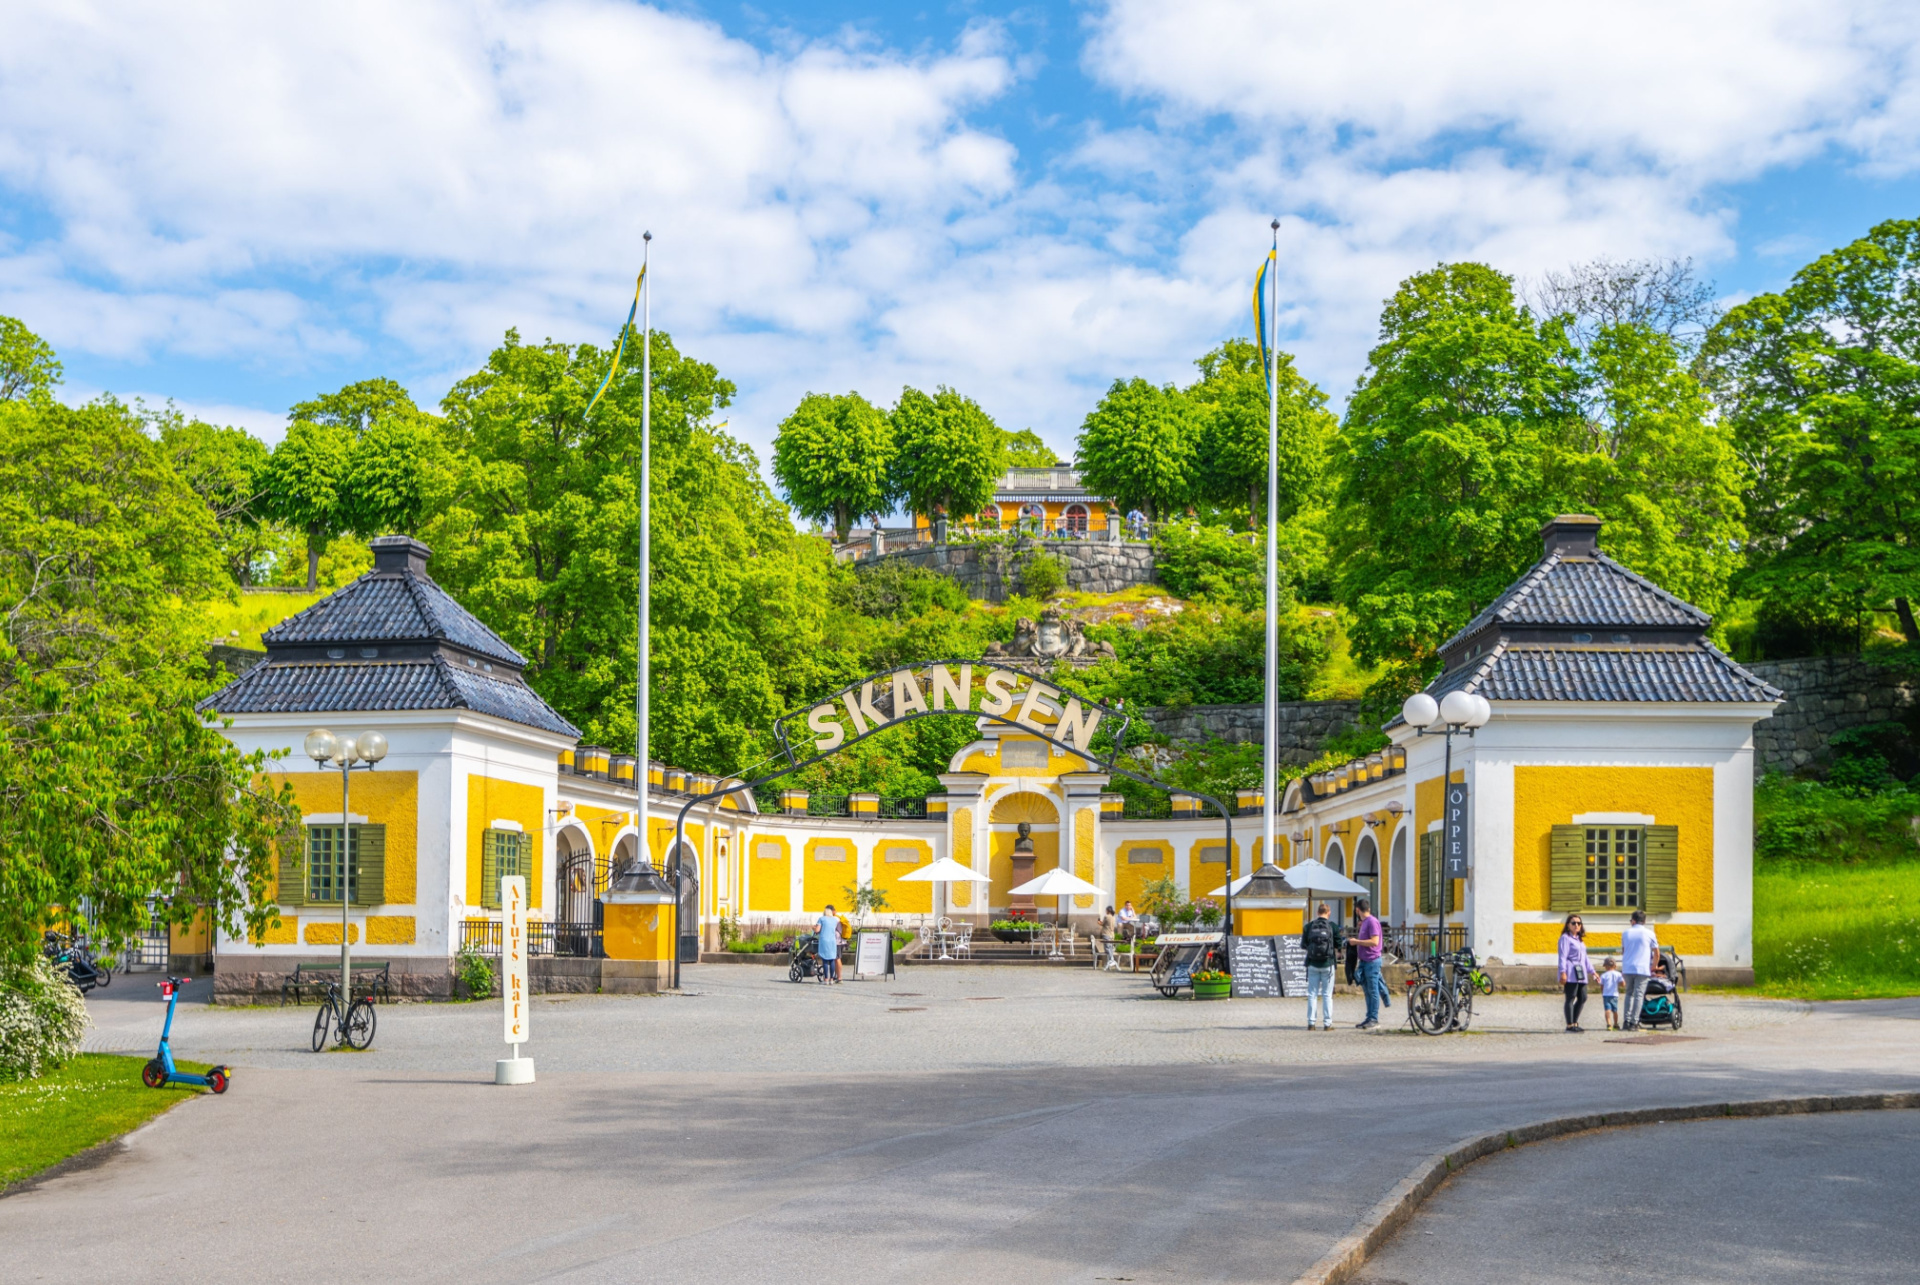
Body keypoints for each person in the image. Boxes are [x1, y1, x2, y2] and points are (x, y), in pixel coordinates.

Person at [1300, 901, 1345, 1030]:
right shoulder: (1333, 927)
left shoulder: (1308, 926)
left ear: (1317, 912)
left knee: (1312, 994)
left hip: (1312, 963)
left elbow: (1303, 945)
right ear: (1329, 913)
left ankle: (1311, 1023)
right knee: (1327, 995)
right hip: (1328, 964)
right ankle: (1327, 1024)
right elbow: (1339, 944)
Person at [1619, 909, 1660, 1030]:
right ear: (1644, 921)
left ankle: (1626, 1021)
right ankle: (1634, 1022)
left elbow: (1624, 950)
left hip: (1627, 967)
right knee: (1639, 995)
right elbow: (1656, 952)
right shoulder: (1649, 933)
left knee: (1629, 994)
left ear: (1633, 921)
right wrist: (1653, 966)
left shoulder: (1625, 933)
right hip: (1642, 968)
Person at [1352, 897, 1388, 1029]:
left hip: (1372, 961)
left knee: (1373, 991)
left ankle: (1374, 1018)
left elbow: (1374, 941)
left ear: (1357, 910)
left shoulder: (1372, 922)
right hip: (1365, 961)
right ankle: (1369, 1017)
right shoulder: (1366, 922)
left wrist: (1357, 942)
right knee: (1367, 990)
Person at [1557, 912, 1591, 1033]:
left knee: (1583, 997)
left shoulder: (1580, 940)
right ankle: (1570, 1025)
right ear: (1568, 925)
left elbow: (1585, 958)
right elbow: (1563, 956)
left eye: (1579, 923)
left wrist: (1592, 971)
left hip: (1581, 972)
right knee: (1570, 997)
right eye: (1573, 923)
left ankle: (1575, 1022)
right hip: (1570, 971)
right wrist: (1563, 972)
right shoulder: (1565, 938)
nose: (1576, 925)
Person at [816, 904, 842, 984]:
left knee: (825, 960)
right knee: (831, 959)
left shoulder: (821, 919)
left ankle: (826, 979)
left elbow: (817, 930)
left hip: (824, 941)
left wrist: (814, 928)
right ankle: (831, 979)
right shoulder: (835, 920)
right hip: (832, 941)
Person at [1599, 956, 1622, 1030]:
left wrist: (1602, 992)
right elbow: (1623, 983)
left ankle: (1609, 1024)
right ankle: (1615, 1023)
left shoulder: (1603, 975)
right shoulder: (1618, 974)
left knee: (1607, 1010)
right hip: (1615, 995)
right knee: (1615, 1010)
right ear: (1615, 966)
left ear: (1605, 966)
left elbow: (1601, 986)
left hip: (1606, 994)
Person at [1095, 905, 1119, 970]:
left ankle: (1111, 960)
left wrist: (1098, 922)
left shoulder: (1106, 916)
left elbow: (1103, 924)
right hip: (1112, 934)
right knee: (1110, 947)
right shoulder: (1113, 917)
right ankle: (1111, 960)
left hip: (1106, 933)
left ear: (1108, 910)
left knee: (1107, 948)